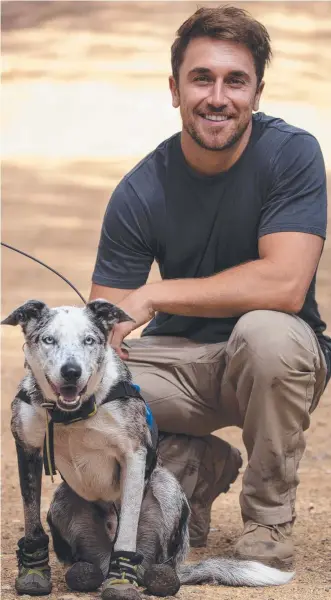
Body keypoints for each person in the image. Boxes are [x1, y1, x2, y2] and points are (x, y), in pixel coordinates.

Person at [89, 5, 331, 569]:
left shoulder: (292, 155)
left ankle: (268, 523)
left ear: (257, 92)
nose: (217, 96)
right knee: (87, 382)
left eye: (235, 81)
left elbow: (287, 283)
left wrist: (153, 296)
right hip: (177, 369)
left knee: (267, 332)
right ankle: (192, 465)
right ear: (175, 89)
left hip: (274, 364)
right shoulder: (140, 190)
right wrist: (105, 338)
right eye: (202, 78)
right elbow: (105, 329)